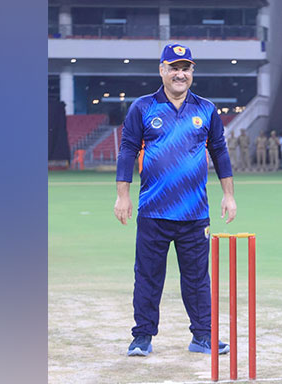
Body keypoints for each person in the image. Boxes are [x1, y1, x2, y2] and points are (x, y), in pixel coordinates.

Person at [114, 43, 237, 357]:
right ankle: (142, 337)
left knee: (197, 280)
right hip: (154, 211)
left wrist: (229, 195)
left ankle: (203, 337)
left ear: (192, 72)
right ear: (162, 70)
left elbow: (219, 152)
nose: (180, 74)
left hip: (195, 213)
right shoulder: (142, 107)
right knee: (147, 277)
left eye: (186, 68)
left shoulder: (206, 110)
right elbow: (128, 149)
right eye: (174, 67)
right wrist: (122, 196)